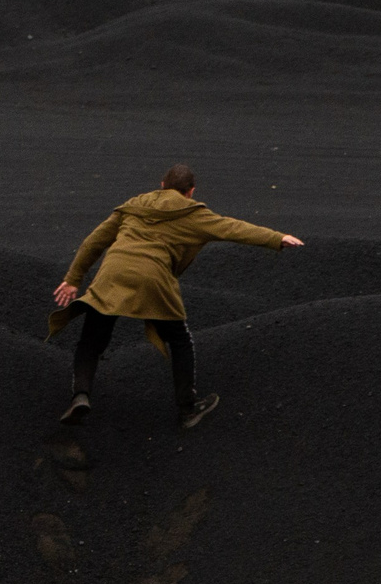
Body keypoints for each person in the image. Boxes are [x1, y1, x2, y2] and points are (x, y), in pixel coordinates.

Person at [46, 163, 302, 429]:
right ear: (190, 192)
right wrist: (277, 237)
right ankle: (187, 410)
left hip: (112, 275)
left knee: (91, 340)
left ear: (162, 185)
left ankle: (80, 396)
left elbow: (93, 242)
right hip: (153, 280)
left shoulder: (134, 205)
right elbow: (233, 229)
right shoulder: (193, 214)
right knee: (180, 340)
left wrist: (73, 280)